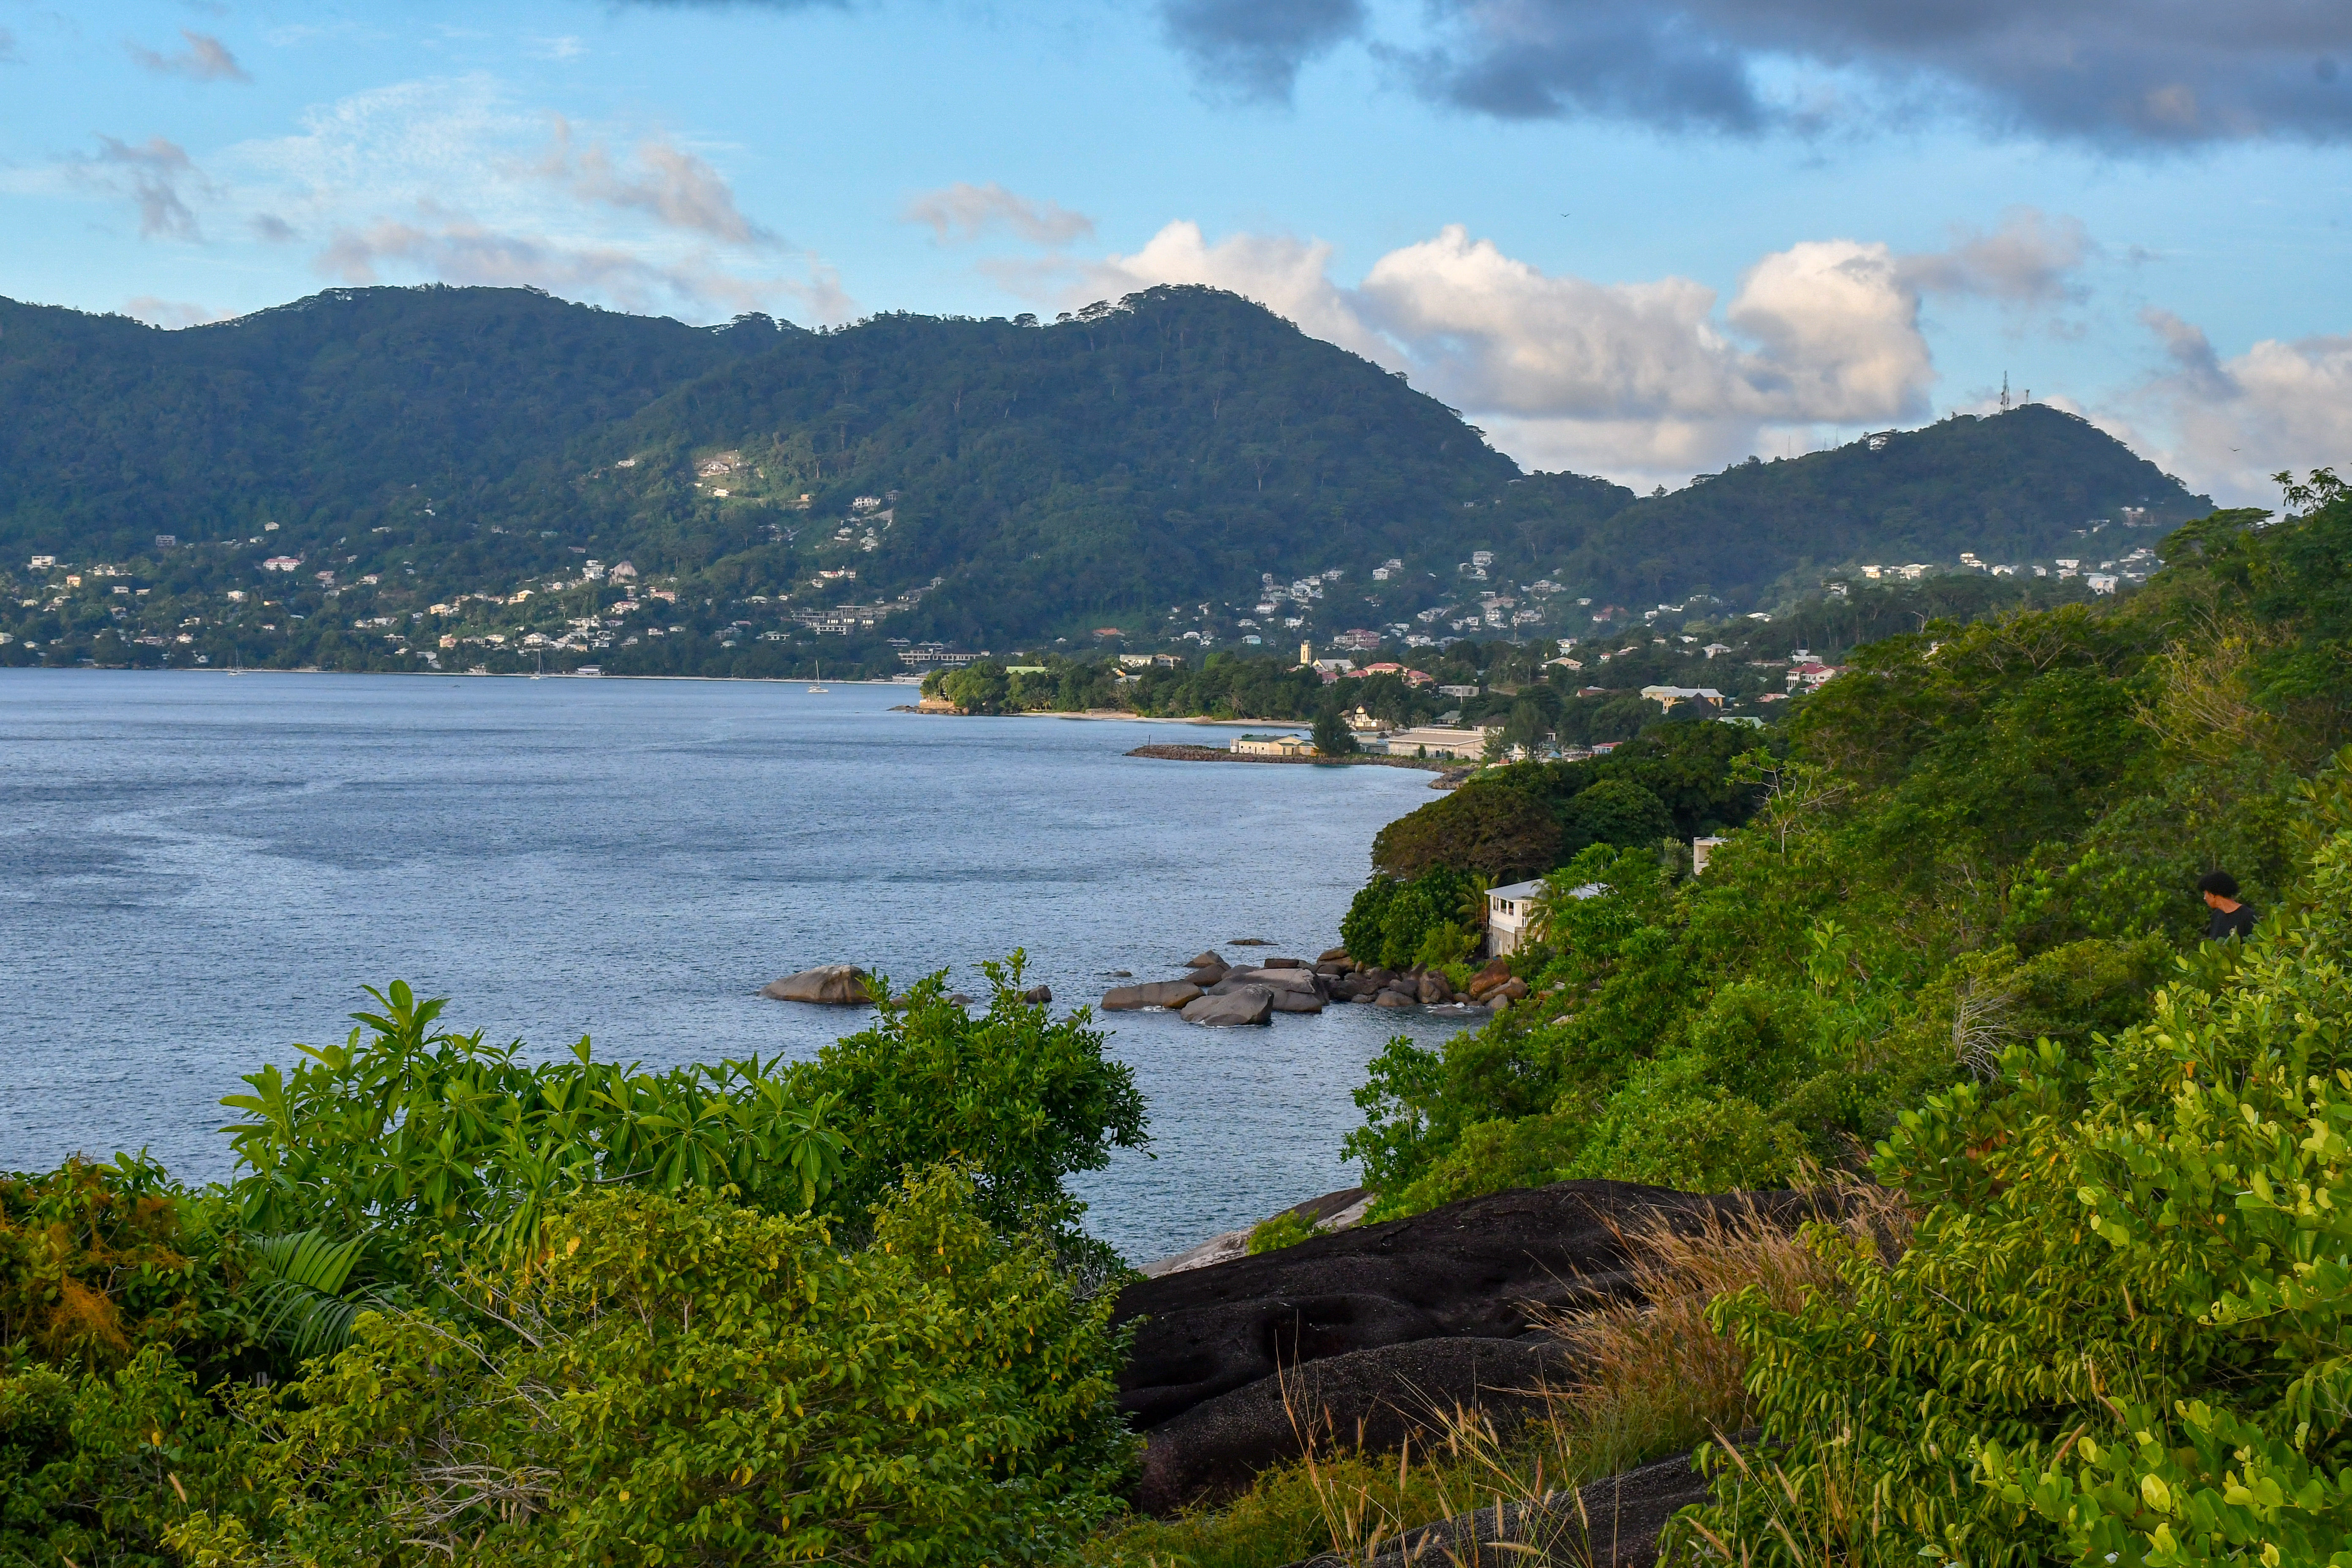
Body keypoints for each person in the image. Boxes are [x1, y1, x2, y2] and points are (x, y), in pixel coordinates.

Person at [2198, 870, 2258, 942]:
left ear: (2213, 894)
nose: (2205, 898)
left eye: (2206, 894)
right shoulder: (2217, 916)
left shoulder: (2248, 916)